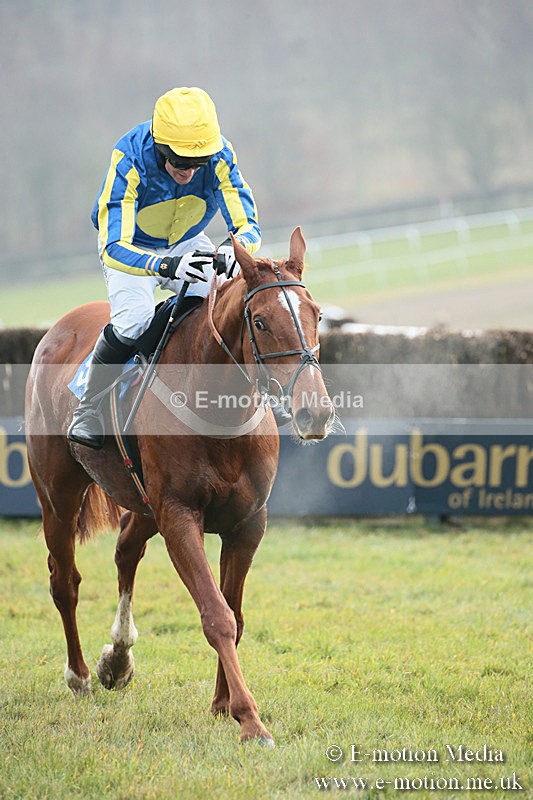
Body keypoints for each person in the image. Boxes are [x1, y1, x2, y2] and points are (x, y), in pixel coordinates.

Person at [68, 86, 261, 449]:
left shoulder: (221, 154)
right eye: (180, 163)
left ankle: (256, 391)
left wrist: (233, 249)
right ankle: (90, 407)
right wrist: (167, 265)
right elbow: (114, 247)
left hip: (188, 239)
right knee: (134, 321)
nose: (189, 173)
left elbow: (248, 225)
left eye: (197, 164)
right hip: (132, 246)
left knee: (230, 299)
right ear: (159, 148)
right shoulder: (129, 158)